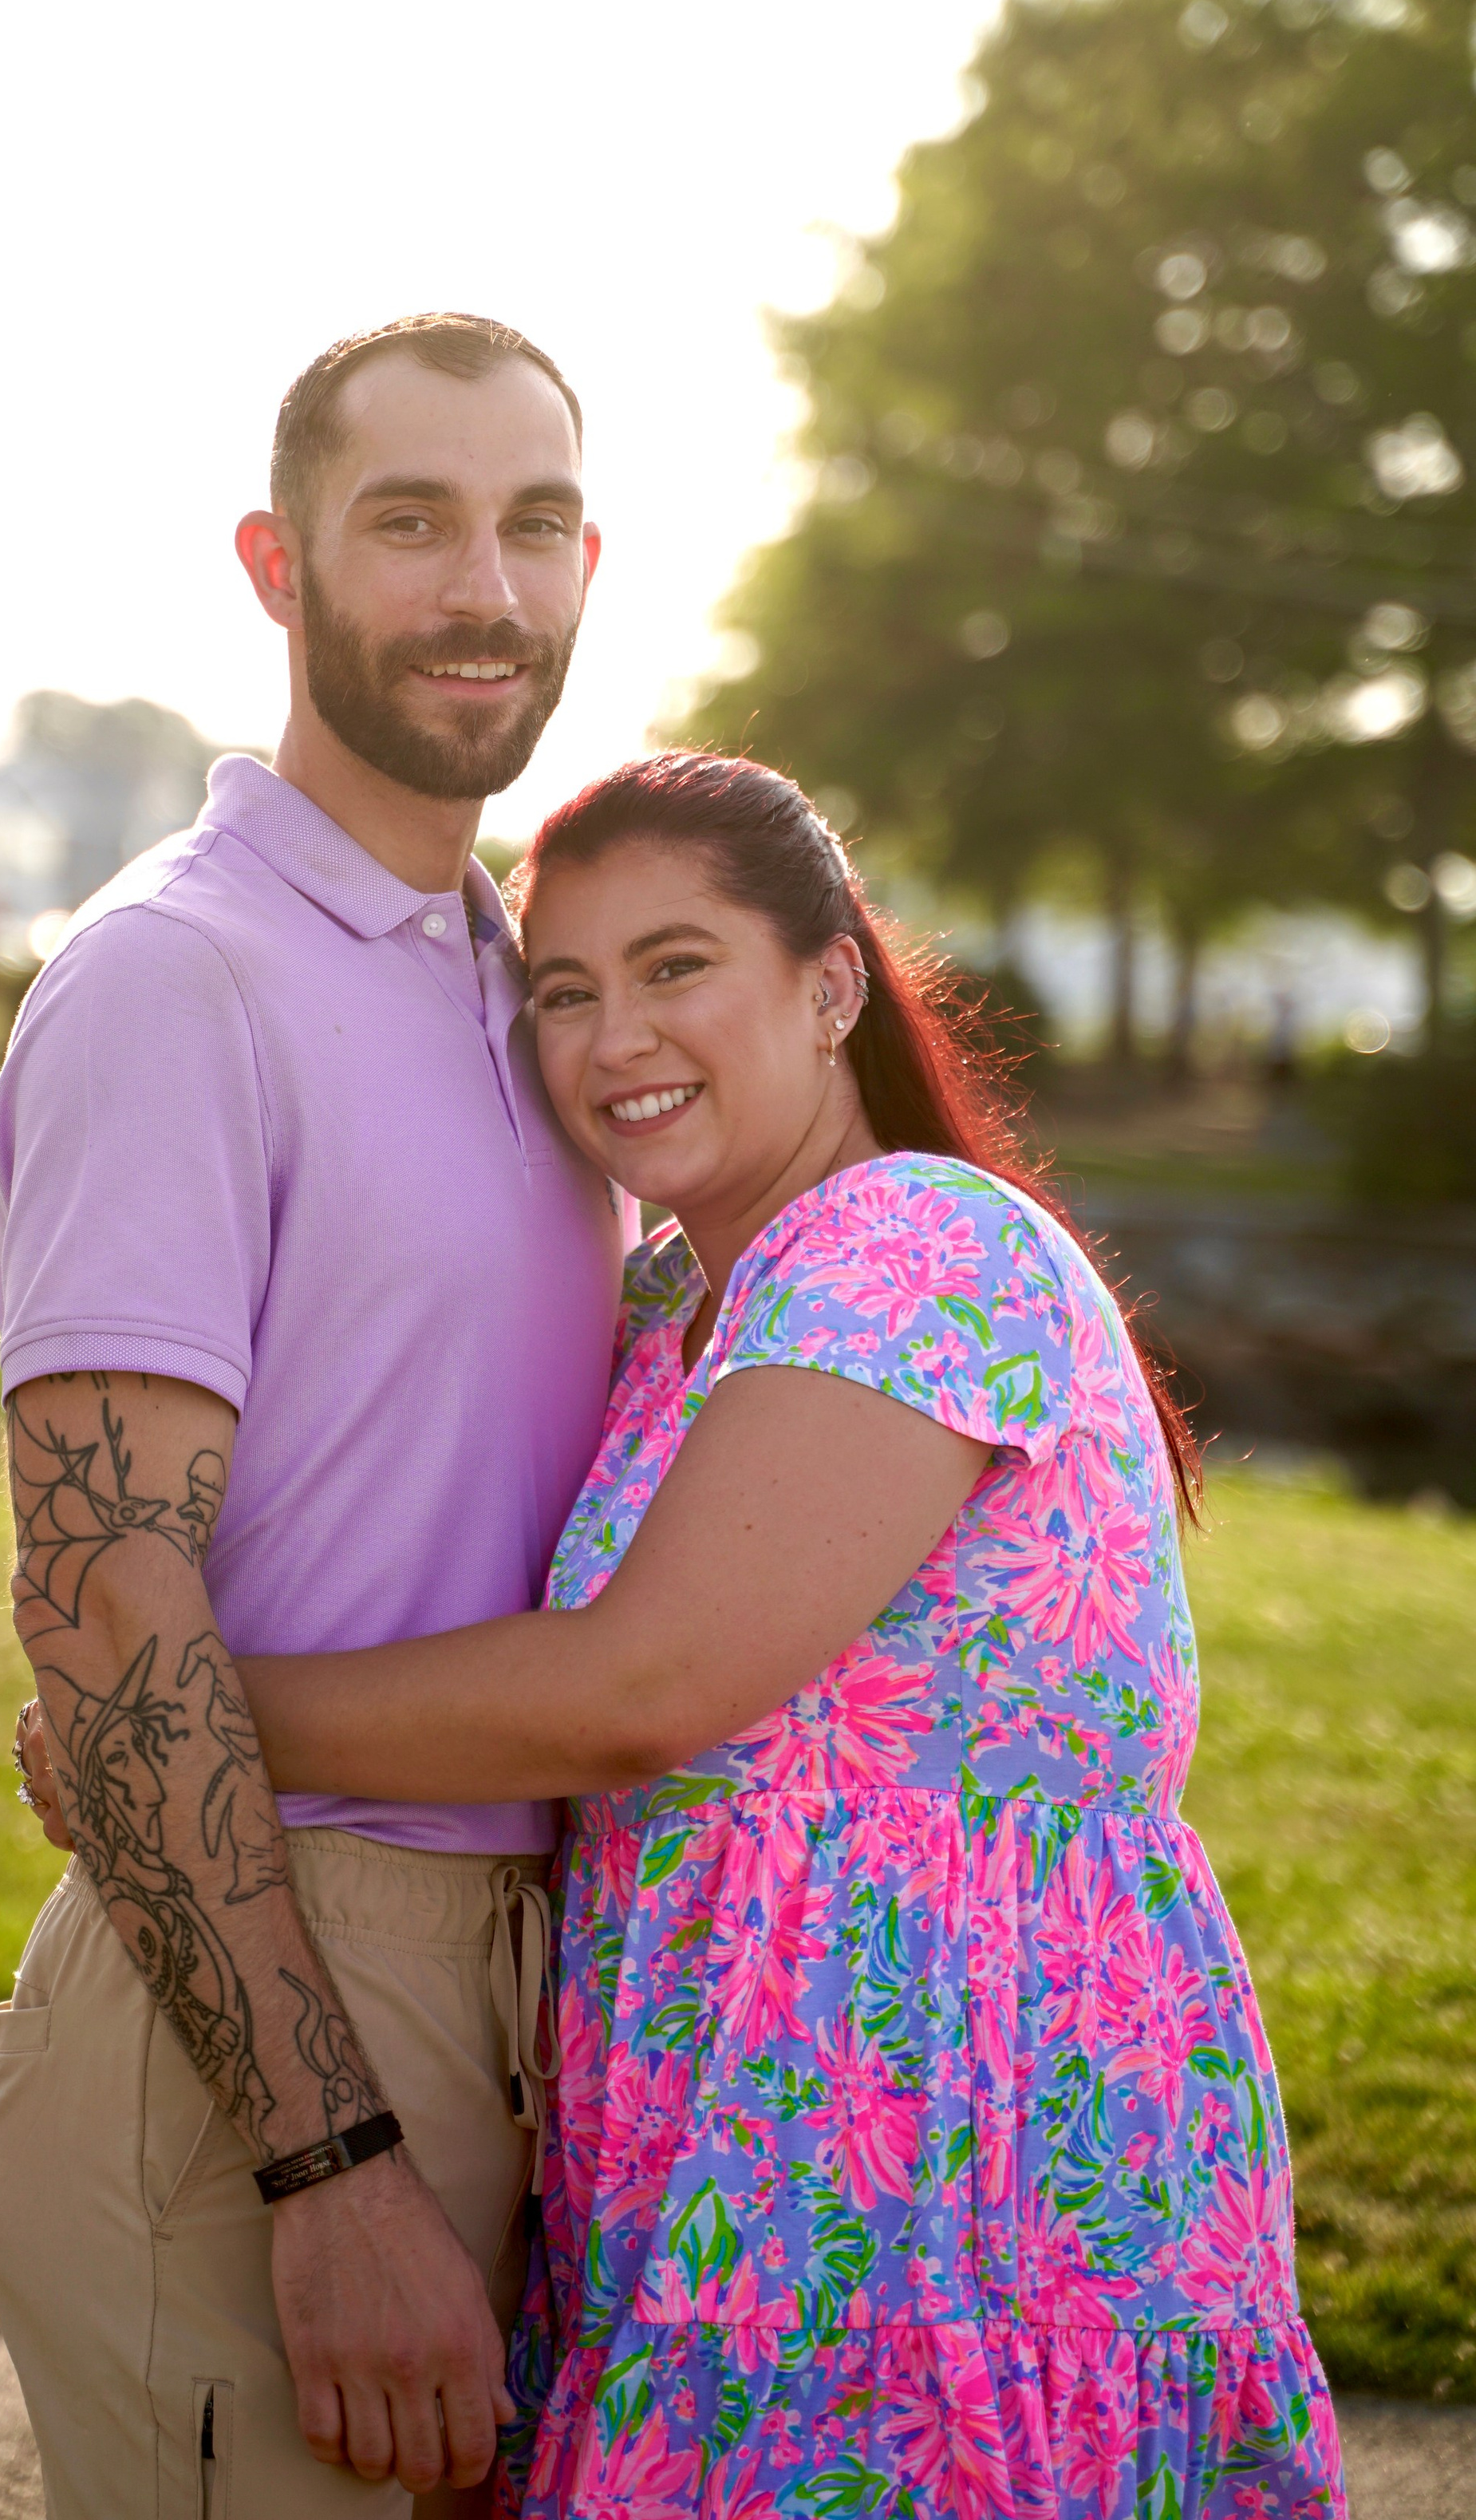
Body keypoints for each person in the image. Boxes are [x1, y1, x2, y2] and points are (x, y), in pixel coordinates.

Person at [233, 750, 1349, 2520]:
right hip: (735, 2137)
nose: (614, 1038)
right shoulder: (690, 1296)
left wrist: (184, 1721)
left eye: (675, 966)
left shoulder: (912, 1243)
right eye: (564, 989)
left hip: (947, 2154)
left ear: (829, 984)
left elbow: (636, 1688)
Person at [0, 311, 625, 2520]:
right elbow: (104, 1579)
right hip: (279, 2010)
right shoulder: (183, 973)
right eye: (407, 520)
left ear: (591, 564)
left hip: (529, 1984)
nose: (481, 588)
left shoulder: (509, 971)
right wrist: (329, 2158)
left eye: (531, 524)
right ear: (279, 563)